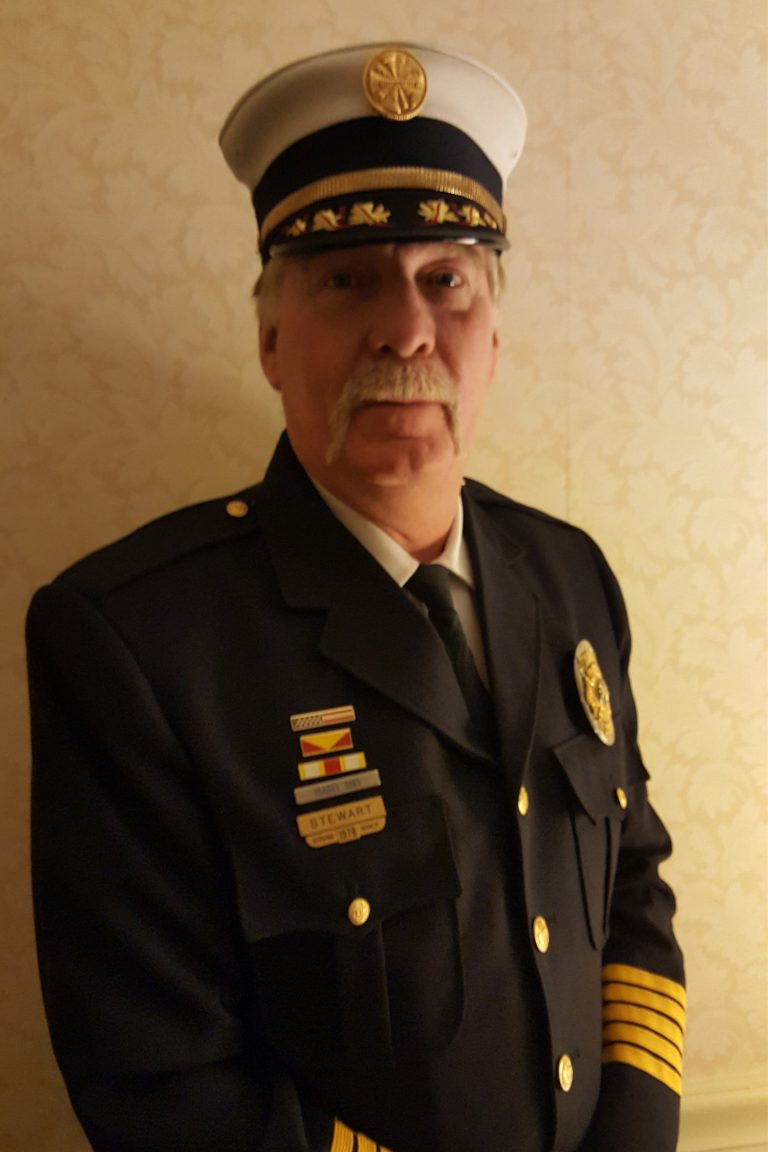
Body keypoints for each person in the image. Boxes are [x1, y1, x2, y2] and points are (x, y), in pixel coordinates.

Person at [27, 43, 685, 1152]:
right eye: (347, 279)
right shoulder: (137, 643)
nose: (406, 329)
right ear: (270, 338)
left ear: (493, 333)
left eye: (446, 279)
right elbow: (159, 1077)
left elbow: (632, 887)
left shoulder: (571, 574)